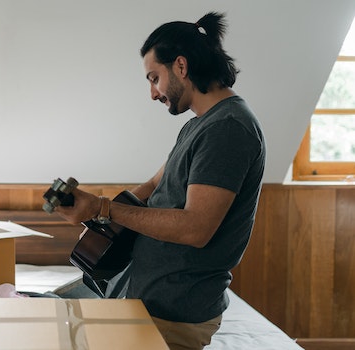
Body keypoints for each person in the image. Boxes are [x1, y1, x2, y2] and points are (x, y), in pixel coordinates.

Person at [55, 12, 266, 350]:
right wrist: (95, 215)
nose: (153, 93)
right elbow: (154, 186)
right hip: (152, 301)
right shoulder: (199, 125)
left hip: (176, 312)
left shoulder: (228, 129)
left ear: (181, 66)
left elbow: (196, 229)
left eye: (155, 78)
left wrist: (105, 208)